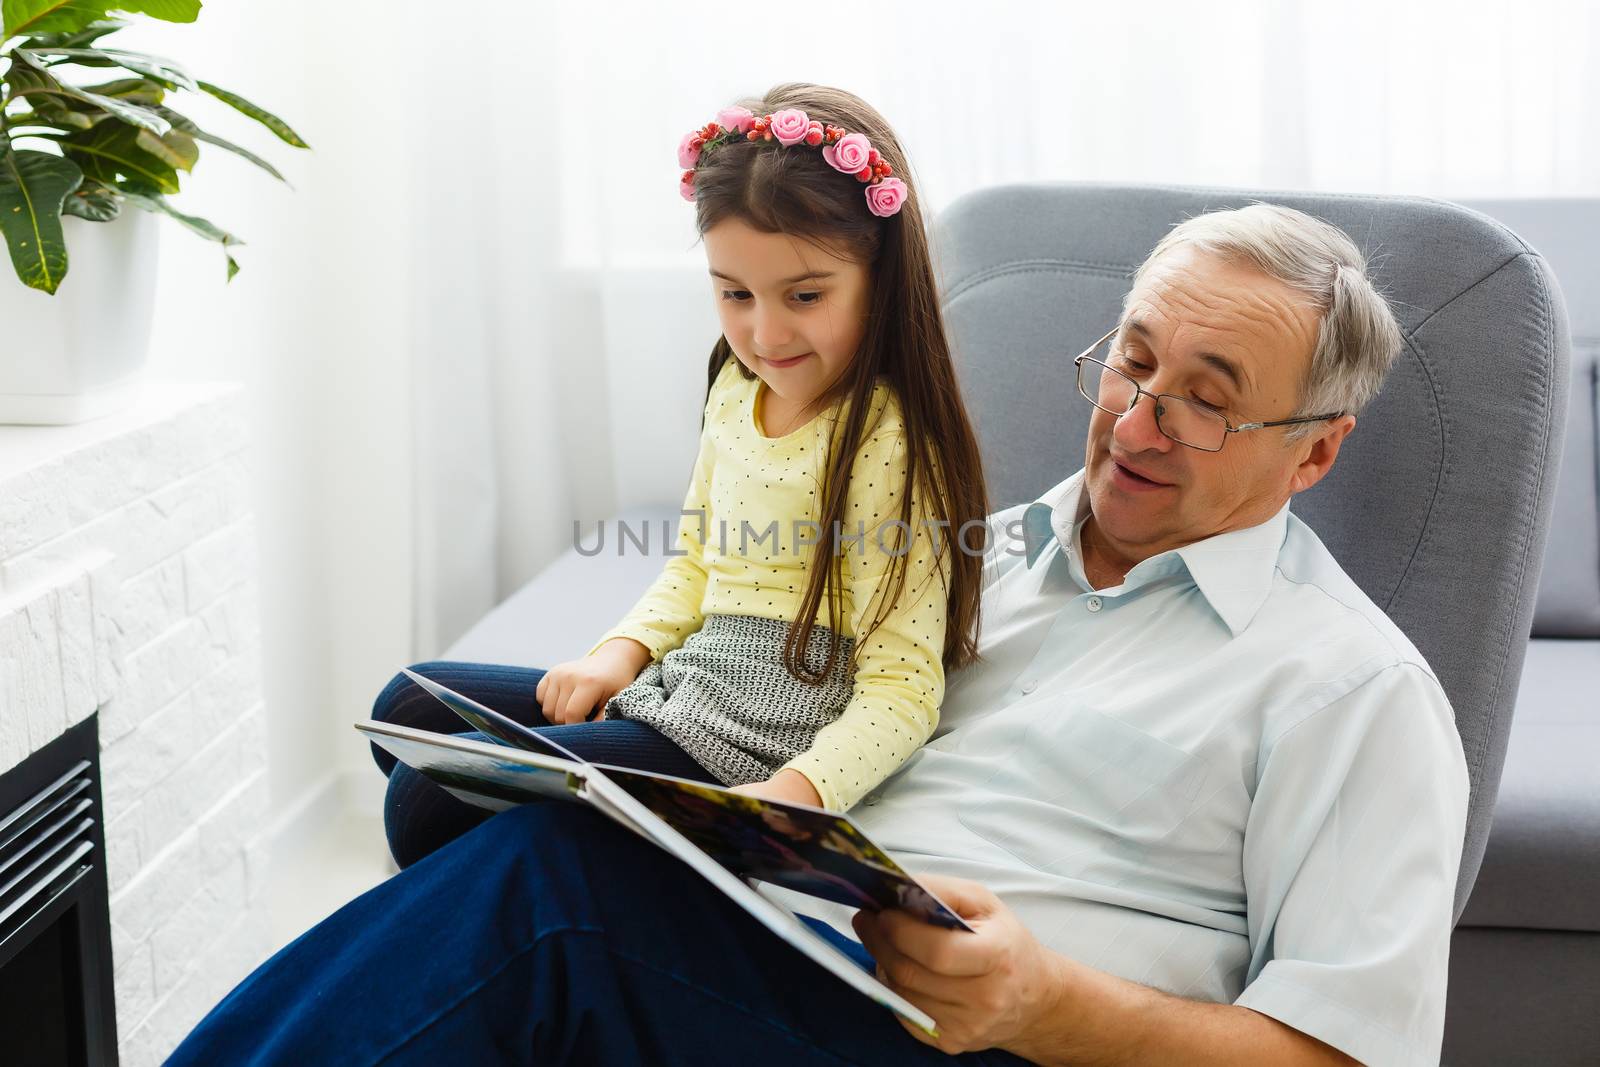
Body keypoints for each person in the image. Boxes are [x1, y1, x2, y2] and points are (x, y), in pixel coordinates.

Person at [169, 203, 1469, 1066]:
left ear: (1314, 452)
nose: (1137, 420)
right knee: (448, 751)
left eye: (1208, 402)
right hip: (793, 905)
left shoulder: (1350, 687)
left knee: (550, 885)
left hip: (971, 1028)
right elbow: (780, 651)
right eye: (1133, 363)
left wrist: (1041, 998)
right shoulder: (986, 549)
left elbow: (1346, 1050)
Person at [368, 83, 990, 867]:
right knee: (407, 704)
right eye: (734, 293)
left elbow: (903, 686)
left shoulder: (892, 443)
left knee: (422, 804)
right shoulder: (737, 387)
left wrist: (794, 800)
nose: (765, 332)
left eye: (805, 295)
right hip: (689, 685)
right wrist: (616, 654)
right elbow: (697, 561)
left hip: (756, 742)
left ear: (879, 276)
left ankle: (572, 870)